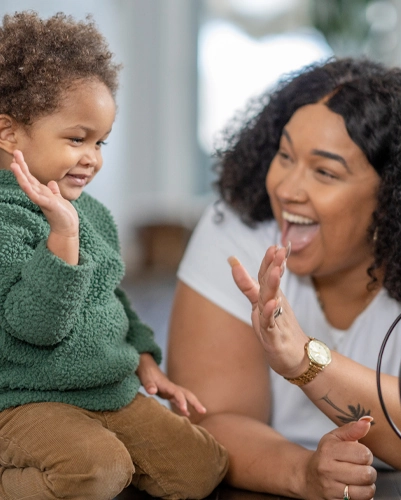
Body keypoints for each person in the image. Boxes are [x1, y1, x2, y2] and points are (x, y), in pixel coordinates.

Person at [167, 57, 401, 499]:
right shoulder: (241, 228)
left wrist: (306, 361)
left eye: (325, 172)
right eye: (284, 155)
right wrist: (303, 473)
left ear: (398, 201)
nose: (286, 188)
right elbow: (208, 418)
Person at [0, 11, 228, 499]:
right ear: (9, 133)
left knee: (201, 466)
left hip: (106, 389)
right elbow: (35, 327)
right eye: (76, 139)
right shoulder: (8, 219)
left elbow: (111, 298)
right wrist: (62, 238)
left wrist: (144, 358)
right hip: (24, 400)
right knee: (95, 471)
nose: (93, 157)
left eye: (100, 141)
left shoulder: (93, 214)